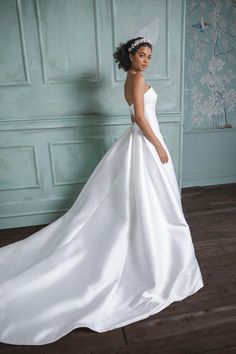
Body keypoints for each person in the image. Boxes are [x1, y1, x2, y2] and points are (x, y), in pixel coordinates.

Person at [0, 37, 204, 346]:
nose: (146, 60)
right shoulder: (136, 78)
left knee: (148, 200)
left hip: (141, 142)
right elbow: (139, 118)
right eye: (141, 54)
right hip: (145, 142)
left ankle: (151, 241)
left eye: (149, 56)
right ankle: (149, 249)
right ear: (130, 56)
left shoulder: (131, 77)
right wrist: (159, 145)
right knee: (148, 200)